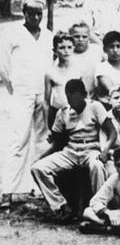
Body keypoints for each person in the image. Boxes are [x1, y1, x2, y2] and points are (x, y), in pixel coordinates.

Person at [31, 79, 115, 221]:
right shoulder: (63, 112)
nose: (72, 101)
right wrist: (41, 158)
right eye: (69, 97)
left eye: (75, 97)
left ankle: (99, 207)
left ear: (84, 94)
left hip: (91, 149)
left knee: (97, 166)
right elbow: (57, 143)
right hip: (70, 151)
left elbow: (112, 132)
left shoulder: (95, 107)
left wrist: (105, 150)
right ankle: (61, 207)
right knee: (37, 168)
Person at [45, 31, 82, 129]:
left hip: (74, 112)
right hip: (57, 112)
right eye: (62, 48)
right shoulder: (50, 72)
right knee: (58, 142)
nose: (66, 51)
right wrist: (47, 127)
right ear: (55, 51)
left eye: (69, 47)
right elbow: (46, 102)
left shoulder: (78, 69)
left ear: (73, 48)